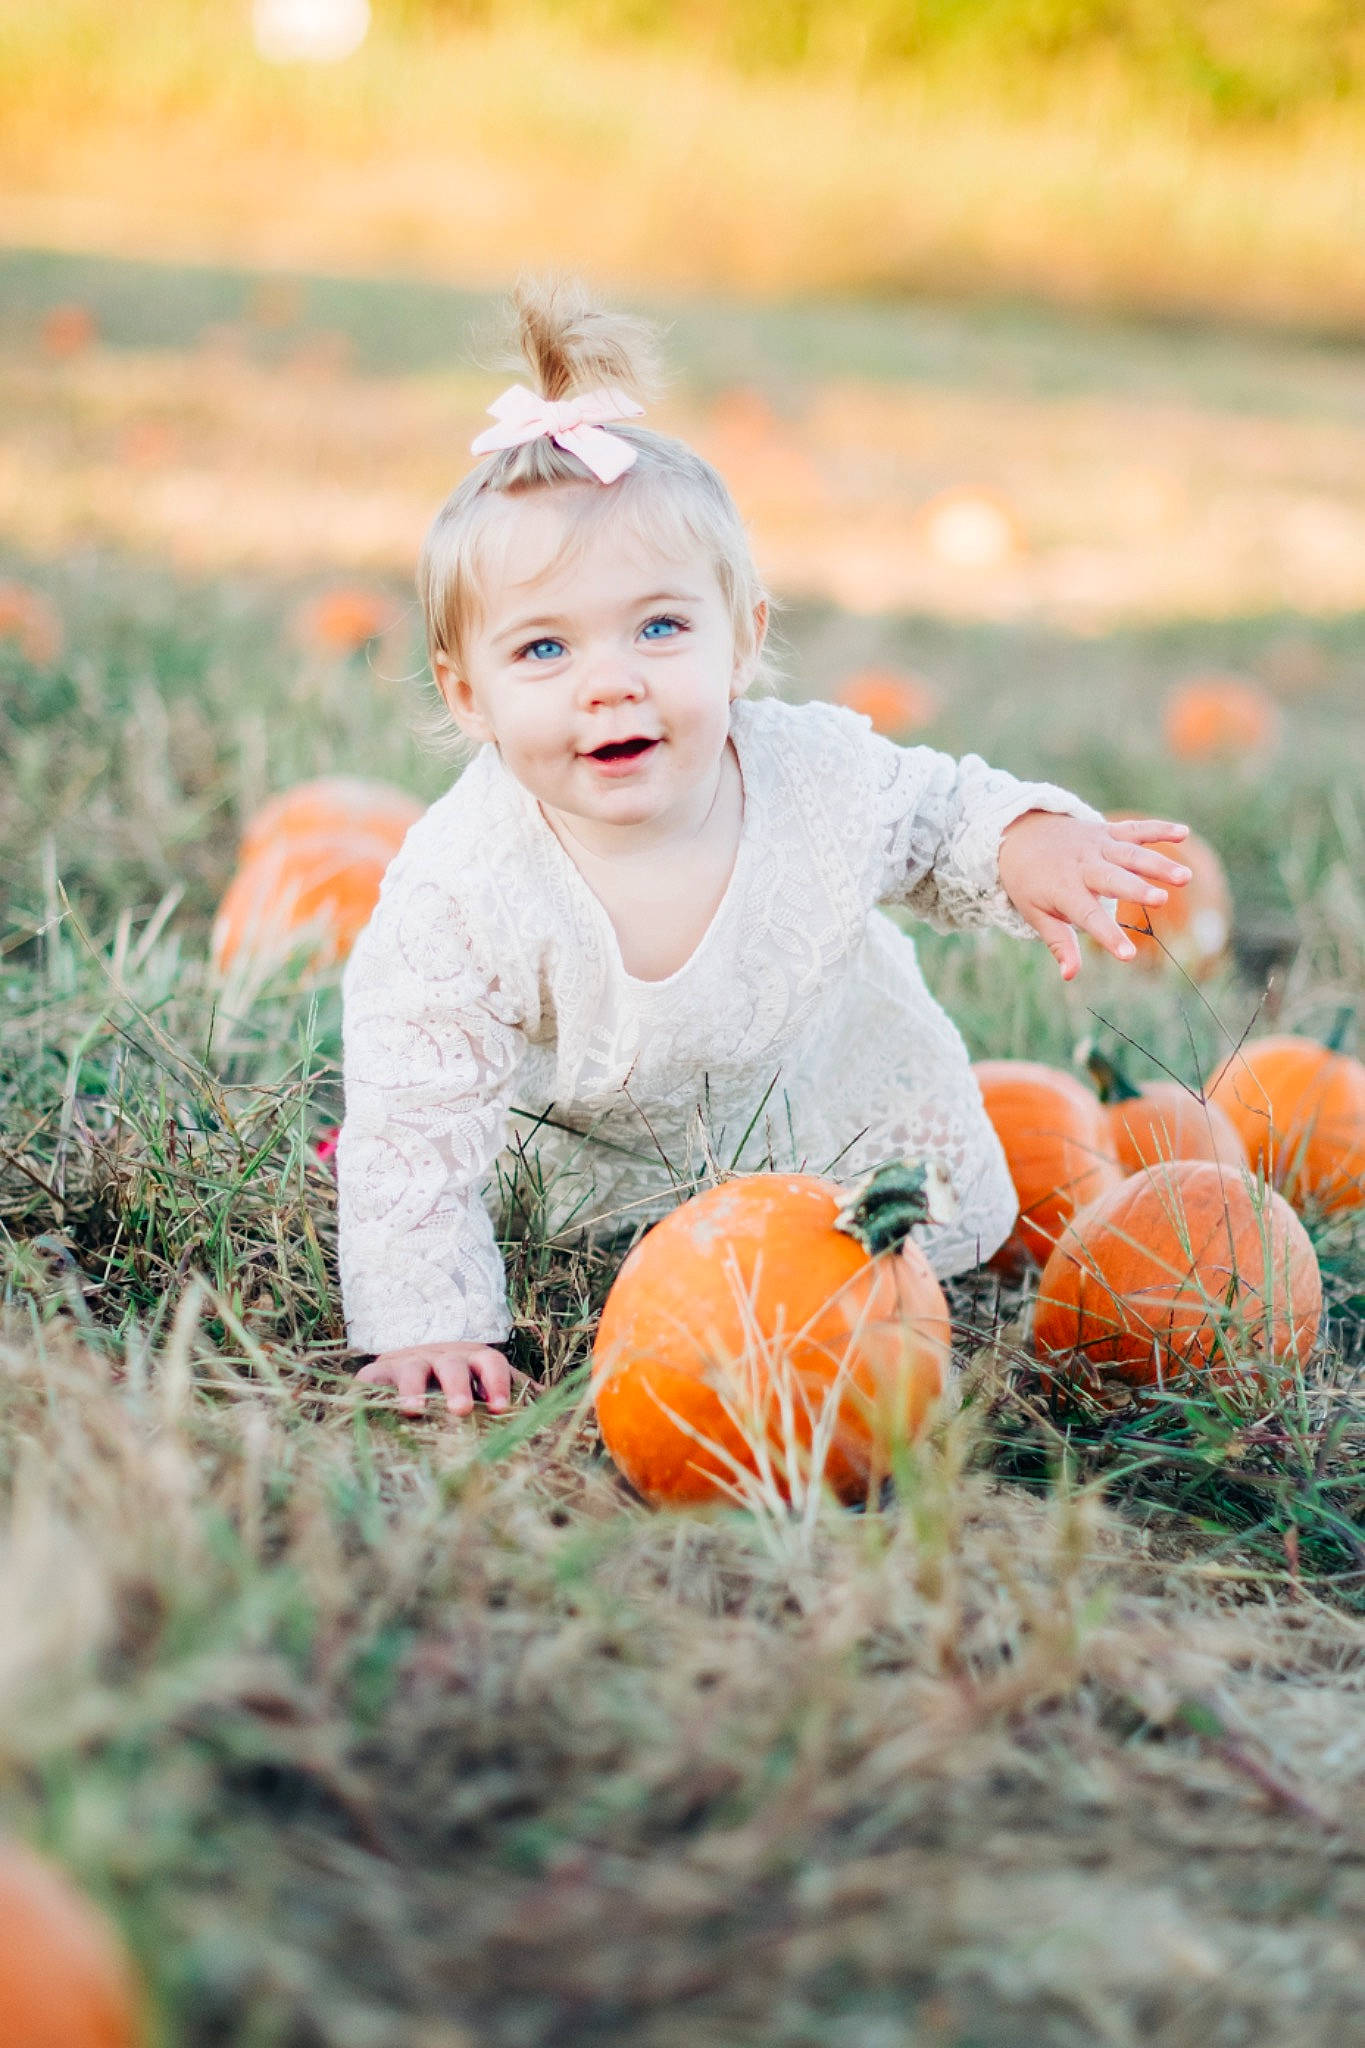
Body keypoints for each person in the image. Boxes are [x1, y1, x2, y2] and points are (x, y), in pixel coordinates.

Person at [336, 278, 1190, 1419]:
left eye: (659, 626)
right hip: (598, 1164)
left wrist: (1024, 840)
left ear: (742, 640)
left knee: (855, 1293)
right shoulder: (462, 887)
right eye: (544, 648)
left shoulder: (814, 775)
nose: (612, 679)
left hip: (831, 1103)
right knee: (606, 1263)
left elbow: (933, 816)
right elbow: (418, 1116)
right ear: (468, 693)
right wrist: (427, 1315)